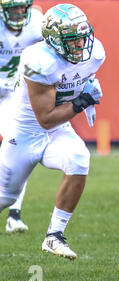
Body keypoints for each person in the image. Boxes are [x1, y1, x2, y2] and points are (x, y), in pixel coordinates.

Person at [0, 3, 105, 259]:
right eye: (73, 40)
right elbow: (46, 118)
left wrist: (86, 87)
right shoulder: (39, 61)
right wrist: (83, 101)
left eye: (83, 37)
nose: (81, 45)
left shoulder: (96, 52)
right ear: (56, 40)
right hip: (24, 133)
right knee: (6, 196)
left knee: (79, 158)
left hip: (59, 130)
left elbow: (82, 74)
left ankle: (54, 236)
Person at [0, 0, 43, 233]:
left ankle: (14, 214)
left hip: (13, 96)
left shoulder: (36, 24)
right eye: (12, 8)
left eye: (21, 8)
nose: (18, 12)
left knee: (19, 147)